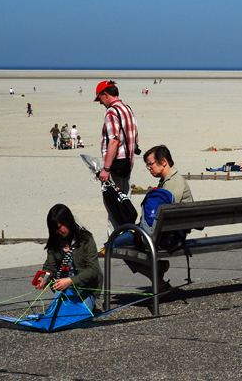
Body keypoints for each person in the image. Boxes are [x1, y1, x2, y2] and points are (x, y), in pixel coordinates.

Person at [113, 145, 192, 291]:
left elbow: (159, 219)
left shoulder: (172, 185)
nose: (149, 168)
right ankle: (156, 267)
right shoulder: (170, 180)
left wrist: (139, 230)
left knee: (116, 243)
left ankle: (157, 279)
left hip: (169, 236)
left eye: (151, 164)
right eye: (147, 165)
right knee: (128, 238)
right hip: (170, 232)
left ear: (164, 162)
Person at [95, 80, 139, 248]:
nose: (101, 103)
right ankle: (125, 239)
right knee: (124, 201)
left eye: (100, 99)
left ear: (105, 94)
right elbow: (135, 137)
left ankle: (112, 244)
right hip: (127, 163)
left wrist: (106, 168)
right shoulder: (128, 109)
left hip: (115, 165)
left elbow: (113, 140)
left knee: (113, 204)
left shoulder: (112, 112)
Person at [34, 204, 103, 312]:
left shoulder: (86, 239)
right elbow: (49, 266)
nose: (57, 232)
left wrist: (70, 281)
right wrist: (43, 278)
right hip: (64, 289)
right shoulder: (55, 242)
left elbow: (93, 270)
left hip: (86, 288)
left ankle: (90, 305)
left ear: (68, 221)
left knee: (77, 314)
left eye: (59, 227)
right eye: (54, 229)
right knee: (55, 314)